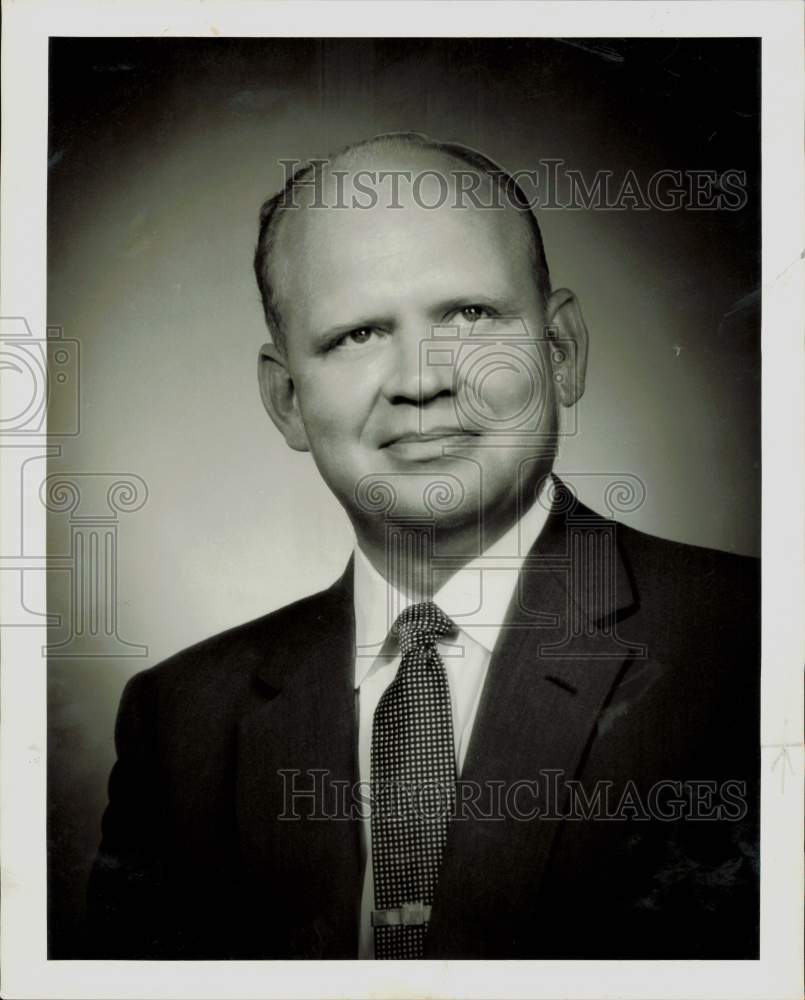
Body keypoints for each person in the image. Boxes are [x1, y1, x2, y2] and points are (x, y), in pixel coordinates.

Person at [87, 132, 759, 960]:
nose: (421, 380)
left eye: (469, 315)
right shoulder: (180, 719)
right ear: (287, 399)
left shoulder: (754, 646)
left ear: (560, 352)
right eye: (355, 336)